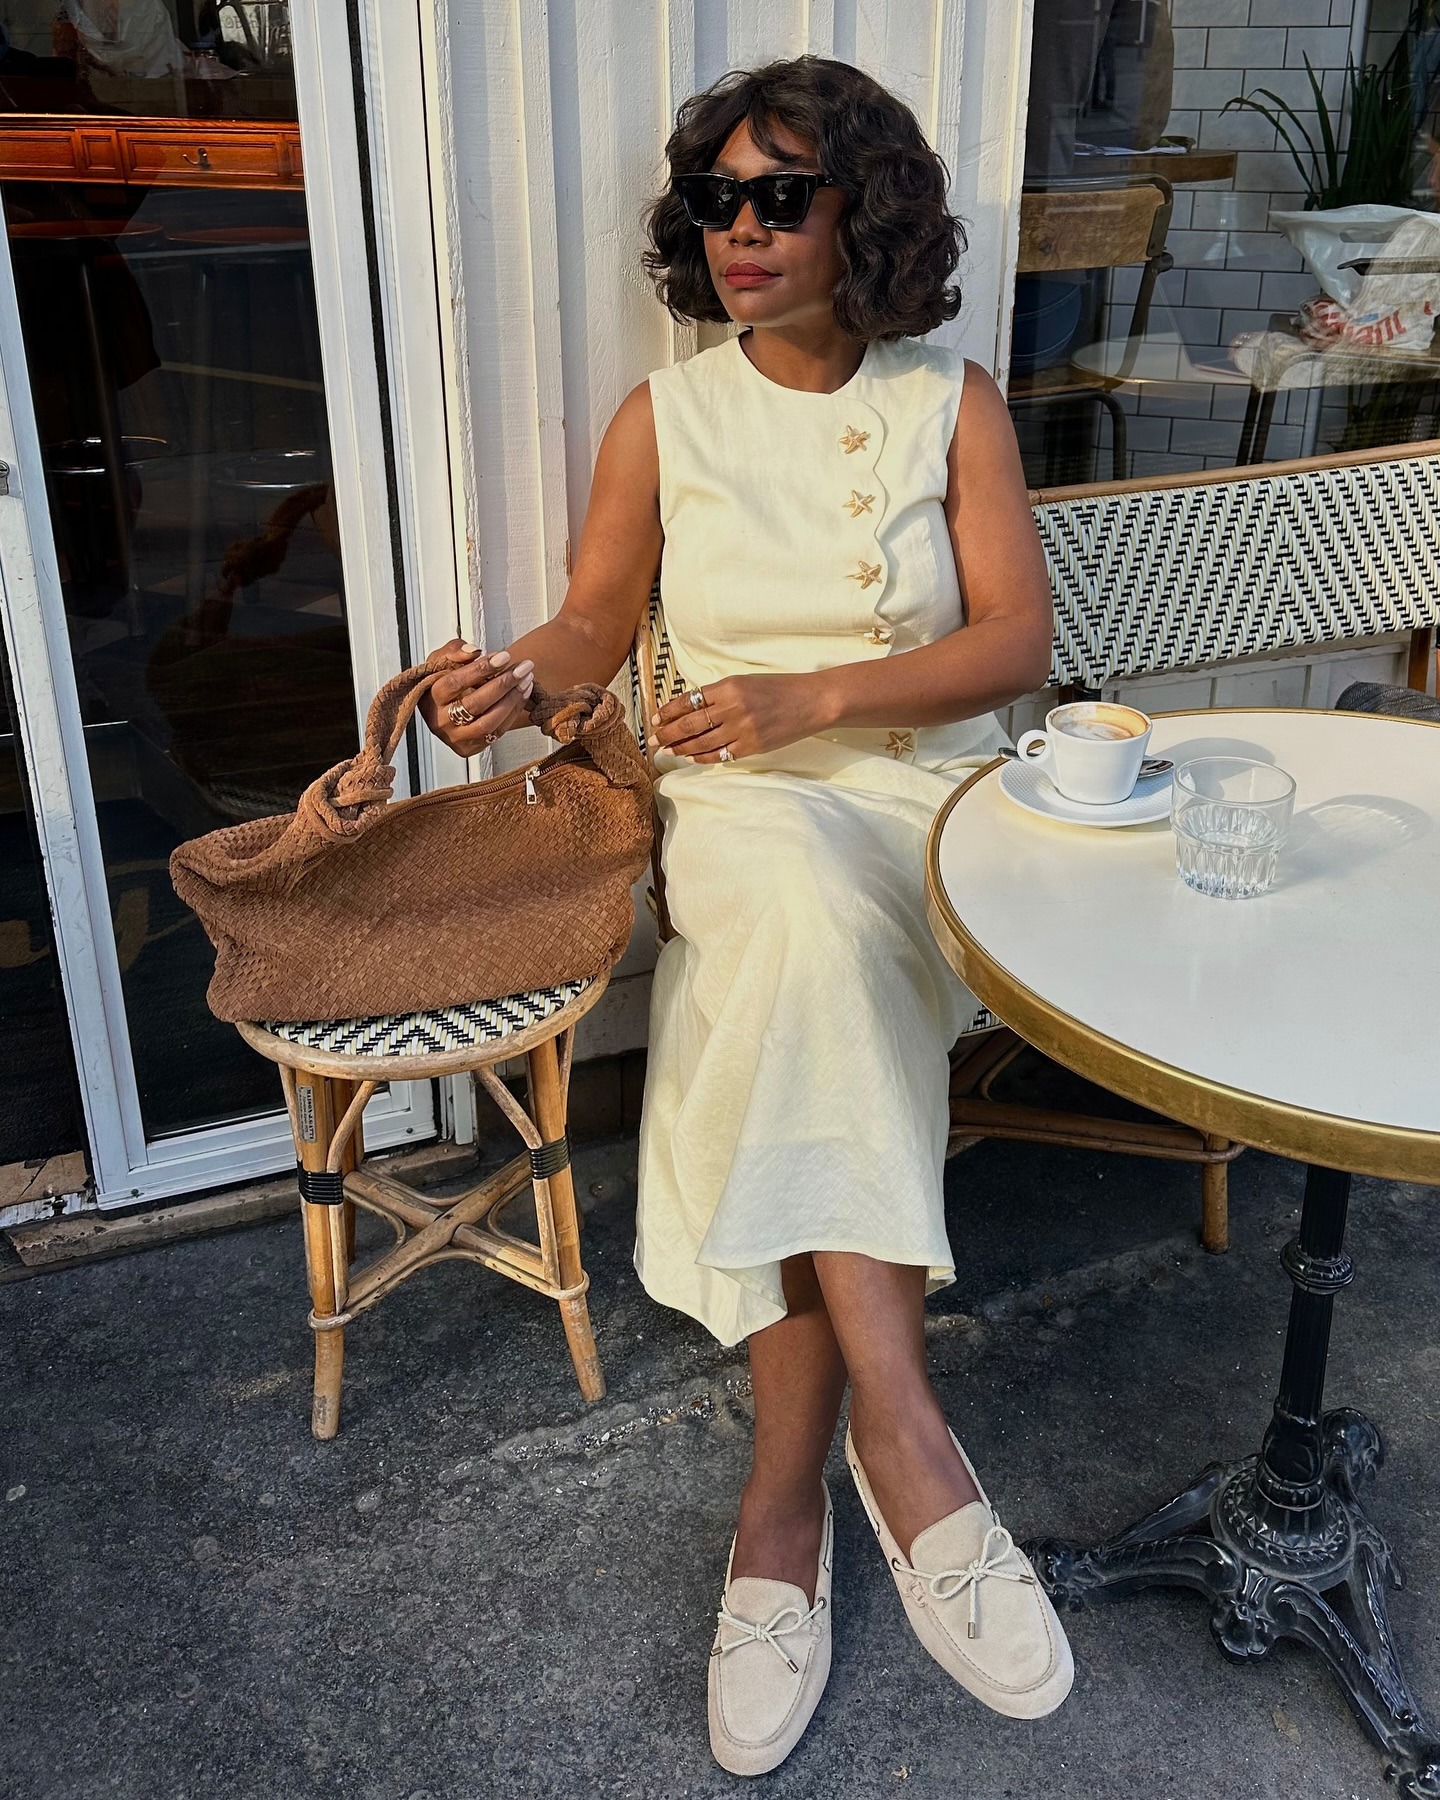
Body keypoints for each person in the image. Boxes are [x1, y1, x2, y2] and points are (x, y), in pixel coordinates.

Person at [420, 56, 1069, 1777]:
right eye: (714, 199)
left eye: (782, 193)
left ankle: (783, 1508)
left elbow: (1014, 649)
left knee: (792, 976)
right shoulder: (670, 419)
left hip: (926, 804)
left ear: (867, 209)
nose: (741, 231)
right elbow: (588, 626)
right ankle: (907, 1439)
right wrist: (514, 680)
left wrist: (812, 698)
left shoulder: (953, 399)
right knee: (785, 918)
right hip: (738, 811)